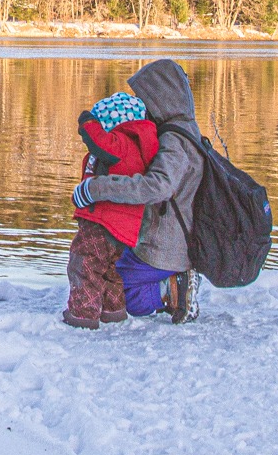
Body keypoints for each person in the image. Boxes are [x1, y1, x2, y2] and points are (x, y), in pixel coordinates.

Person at [67, 58, 205, 325]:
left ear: (161, 98)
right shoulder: (175, 131)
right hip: (154, 236)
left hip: (166, 245)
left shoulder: (174, 139)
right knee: (109, 267)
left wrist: (97, 189)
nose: (143, 108)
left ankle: (173, 287)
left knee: (117, 283)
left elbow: (157, 187)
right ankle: (155, 290)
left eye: (146, 98)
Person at [62, 91, 156, 329]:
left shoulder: (122, 143)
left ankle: (83, 314)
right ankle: (113, 310)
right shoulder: (134, 147)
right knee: (109, 268)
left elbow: (100, 143)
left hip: (103, 221)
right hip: (120, 226)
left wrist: (87, 123)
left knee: (85, 264)